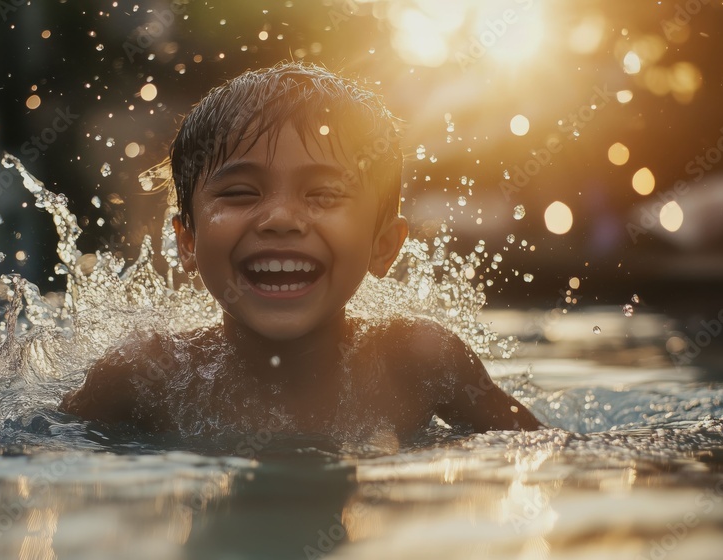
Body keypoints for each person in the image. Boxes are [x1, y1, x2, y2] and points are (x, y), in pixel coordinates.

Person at [60, 62, 541, 444]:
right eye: (241, 193)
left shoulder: (418, 361)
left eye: (325, 196)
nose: (282, 218)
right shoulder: (146, 376)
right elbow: (33, 453)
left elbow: (543, 450)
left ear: (383, 246)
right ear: (188, 241)